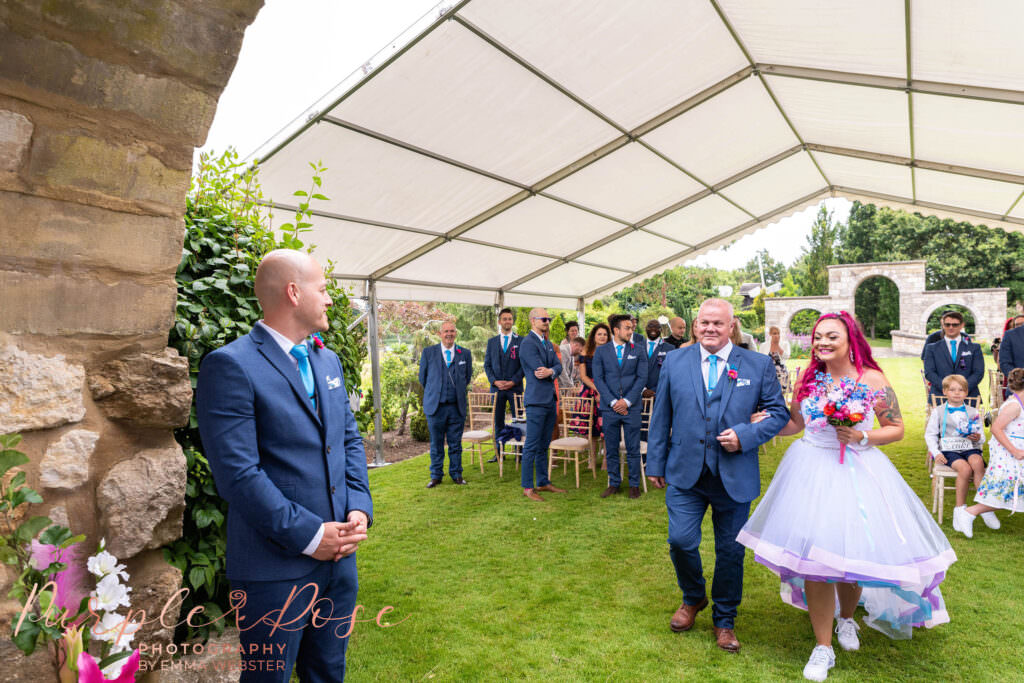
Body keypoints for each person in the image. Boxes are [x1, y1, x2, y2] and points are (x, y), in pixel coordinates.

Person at [737, 311, 955, 682]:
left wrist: (863, 436)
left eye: (831, 337)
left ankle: (848, 619)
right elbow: (795, 424)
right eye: (817, 336)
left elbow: (897, 428)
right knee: (814, 559)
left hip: (857, 471)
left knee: (849, 553)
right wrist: (762, 425)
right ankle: (822, 647)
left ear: (850, 339)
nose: (821, 342)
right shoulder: (809, 378)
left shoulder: (871, 379)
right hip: (808, 470)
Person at [196, 249, 372, 682]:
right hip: (273, 570)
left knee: (328, 672)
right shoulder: (231, 366)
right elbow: (239, 477)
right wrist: (311, 537)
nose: (330, 299)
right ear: (294, 293)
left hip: (339, 561)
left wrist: (358, 508)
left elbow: (347, 439)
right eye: (324, 289)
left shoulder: (326, 360)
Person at [646, 298, 789, 653]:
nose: (710, 329)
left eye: (718, 323)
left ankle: (725, 620)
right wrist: (655, 462)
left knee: (729, 553)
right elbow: (661, 413)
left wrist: (746, 435)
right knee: (680, 541)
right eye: (704, 323)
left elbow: (777, 413)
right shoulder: (675, 360)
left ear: (731, 326)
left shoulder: (756, 365)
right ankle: (693, 597)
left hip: (734, 475)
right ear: (695, 326)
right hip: (685, 472)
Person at [956, 367, 1024, 536]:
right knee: (1006, 491)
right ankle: (970, 512)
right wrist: (1014, 450)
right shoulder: (1014, 406)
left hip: (1016, 450)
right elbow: (996, 428)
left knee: (1012, 491)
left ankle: (975, 511)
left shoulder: (1018, 402)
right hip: (1010, 453)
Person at [592, 314, 648, 499]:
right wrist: (614, 402)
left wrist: (628, 401)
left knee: (633, 448)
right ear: (616, 330)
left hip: (631, 407)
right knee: (611, 447)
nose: (631, 331)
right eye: (627, 328)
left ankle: (634, 484)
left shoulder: (639, 350)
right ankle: (614, 483)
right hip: (610, 408)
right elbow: (598, 379)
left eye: (631, 328)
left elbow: (642, 378)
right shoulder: (601, 352)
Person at [518, 308, 567, 501]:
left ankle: (543, 482)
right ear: (533, 321)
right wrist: (549, 370)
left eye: (548, 318)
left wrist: (551, 371)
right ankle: (528, 487)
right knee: (531, 444)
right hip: (536, 401)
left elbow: (558, 366)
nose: (547, 321)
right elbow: (539, 370)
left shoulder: (546, 342)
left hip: (549, 400)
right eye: (543, 319)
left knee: (544, 444)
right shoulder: (527, 343)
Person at [419, 320, 472, 488]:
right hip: (436, 407)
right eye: (446, 331)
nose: (449, 334)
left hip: (456, 407)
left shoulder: (465, 353)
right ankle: (436, 476)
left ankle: (456, 474)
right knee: (436, 444)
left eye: (452, 331)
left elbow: (467, 377)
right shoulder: (429, 353)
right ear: (440, 334)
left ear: (456, 333)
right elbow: (423, 378)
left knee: (455, 443)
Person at [925, 374, 986, 515]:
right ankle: (960, 510)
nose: (957, 393)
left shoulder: (973, 412)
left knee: (978, 463)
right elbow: (930, 435)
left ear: (966, 392)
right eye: (952, 390)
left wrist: (977, 438)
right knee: (965, 469)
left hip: (969, 447)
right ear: (945, 391)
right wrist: (936, 453)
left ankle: (985, 505)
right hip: (949, 450)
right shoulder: (938, 411)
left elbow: (981, 437)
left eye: (961, 390)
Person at [484, 308, 524, 463]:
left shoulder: (521, 341)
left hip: (515, 388)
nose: (508, 321)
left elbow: (524, 365)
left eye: (510, 319)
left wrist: (514, 381)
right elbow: (487, 365)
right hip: (497, 388)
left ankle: (519, 452)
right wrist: (494, 381)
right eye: (505, 319)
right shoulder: (492, 342)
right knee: (498, 421)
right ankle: (499, 452)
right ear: (499, 322)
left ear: (512, 321)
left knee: (518, 420)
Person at [923, 310, 984, 398]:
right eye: (947, 324)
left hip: (968, 396)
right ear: (943, 325)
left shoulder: (974, 348)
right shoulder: (931, 348)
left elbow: (978, 372)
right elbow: (929, 372)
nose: (951, 327)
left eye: (955, 325)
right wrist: (947, 389)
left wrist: (963, 389)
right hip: (940, 397)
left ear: (962, 325)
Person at [577, 323, 611, 442]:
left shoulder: (612, 353)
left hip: (607, 390)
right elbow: (583, 376)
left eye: (605, 334)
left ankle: (606, 461)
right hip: (588, 391)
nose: (602, 337)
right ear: (594, 336)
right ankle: (592, 459)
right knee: (590, 431)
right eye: (599, 334)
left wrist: (603, 392)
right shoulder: (585, 352)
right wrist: (597, 389)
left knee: (607, 428)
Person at [759, 325, 792, 394]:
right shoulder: (763, 345)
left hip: (781, 371)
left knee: (781, 393)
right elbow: (760, 359)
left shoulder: (785, 344)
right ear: (770, 334)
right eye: (774, 333)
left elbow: (787, 356)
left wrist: (777, 346)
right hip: (767, 371)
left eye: (778, 333)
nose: (776, 335)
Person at [643, 319, 670, 399]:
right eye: (650, 326)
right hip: (638, 395)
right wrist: (643, 390)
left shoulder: (669, 348)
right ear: (646, 329)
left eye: (657, 327)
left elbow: (669, 374)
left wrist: (656, 390)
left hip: (659, 394)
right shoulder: (636, 347)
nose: (653, 329)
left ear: (661, 330)